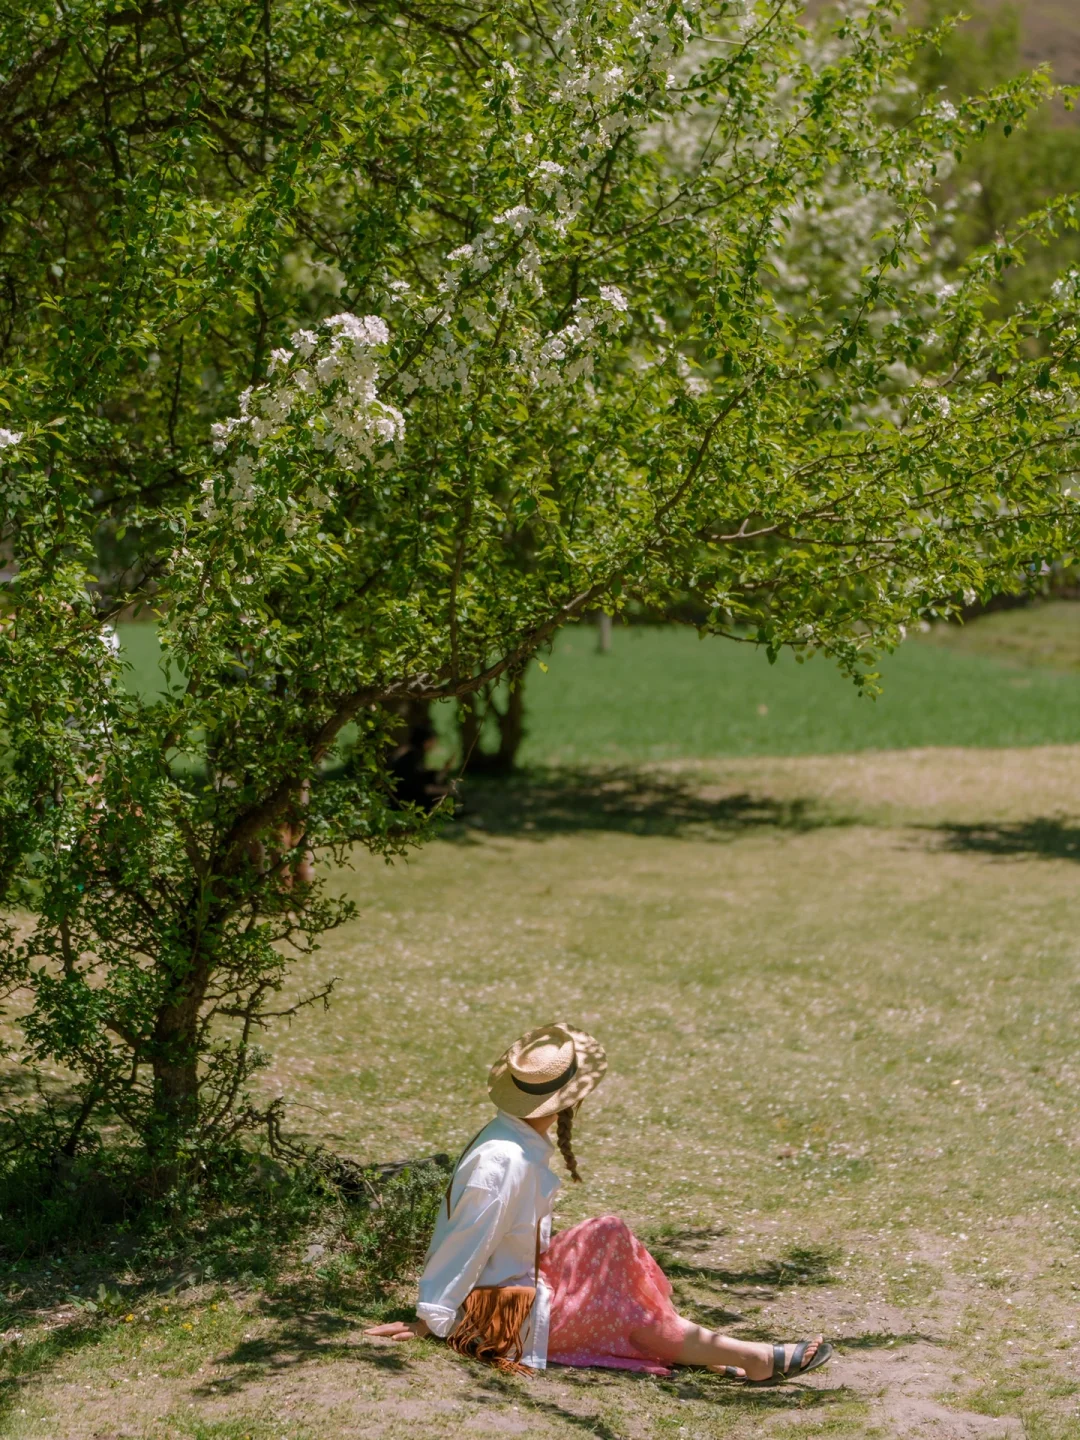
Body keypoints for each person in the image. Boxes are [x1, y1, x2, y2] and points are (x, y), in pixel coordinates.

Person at [364, 1023, 833, 1383]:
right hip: (499, 1312)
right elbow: (465, 1241)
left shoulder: (513, 1134)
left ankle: (690, 1343)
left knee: (608, 1233)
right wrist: (432, 1319)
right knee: (622, 1311)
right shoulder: (502, 1160)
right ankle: (749, 1357)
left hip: (521, 1276)